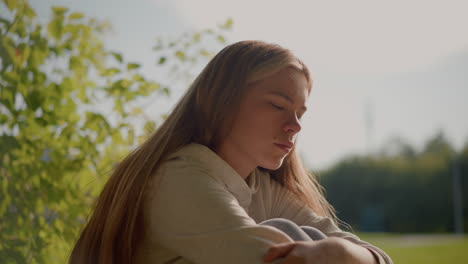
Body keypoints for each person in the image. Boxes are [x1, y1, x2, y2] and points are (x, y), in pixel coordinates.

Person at [69, 40, 393, 264]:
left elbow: (373, 255)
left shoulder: (260, 188)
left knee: (301, 234)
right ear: (221, 103)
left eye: (300, 113)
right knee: (291, 234)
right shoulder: (179, 181)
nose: (295, 125)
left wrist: (343, 254)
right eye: (278, 105)